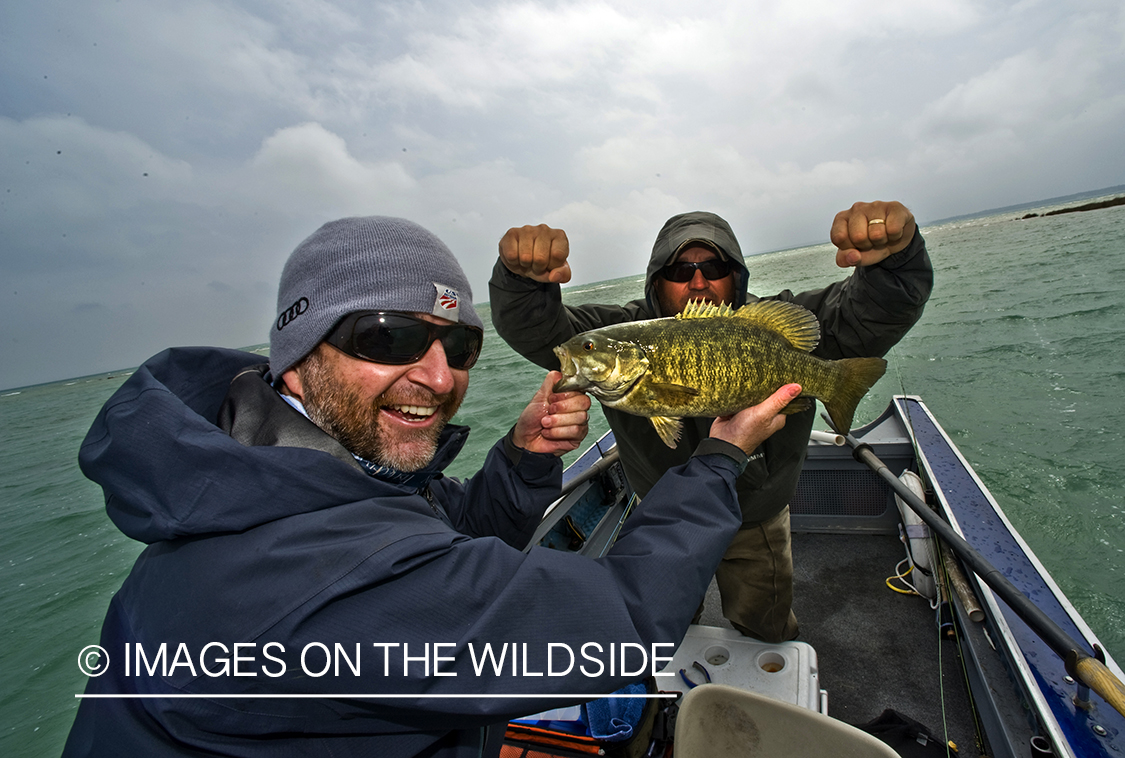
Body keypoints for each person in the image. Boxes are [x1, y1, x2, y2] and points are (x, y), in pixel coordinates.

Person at [64, 215, 801, 758]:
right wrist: (718, 455)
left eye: (458, 344)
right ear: (295, 353)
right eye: (387, 338)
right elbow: (620, 625)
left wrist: (520, 455)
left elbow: (446, 531)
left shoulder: (276, 483)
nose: (440, 376)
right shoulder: (312, 580)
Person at [489, 201, 933, 643]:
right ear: (656, 281)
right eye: (679, 271)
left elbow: (873, 310)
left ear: (736, 274)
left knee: (766, 620)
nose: (698, 281)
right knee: (666, 625)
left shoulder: (768, 324)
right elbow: (543, 331)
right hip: (663, 518)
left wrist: (894, 261)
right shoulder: (624, 332)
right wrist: (522, 283)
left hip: (756, 515)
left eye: (714, 266)